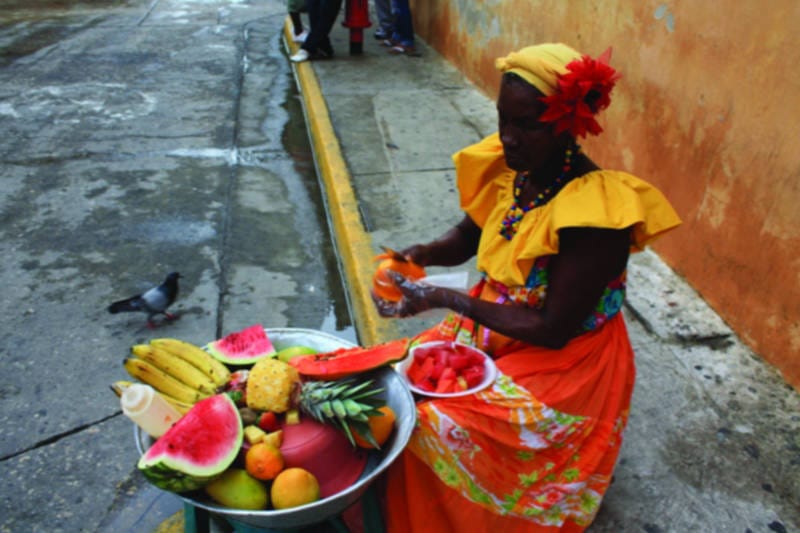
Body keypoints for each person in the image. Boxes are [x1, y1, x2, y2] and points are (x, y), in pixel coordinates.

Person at [372, 43, 681, 531]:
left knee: (432, 430)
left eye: (527, 125)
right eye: (503, 119)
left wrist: (443, 298)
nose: (508, 138)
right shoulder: (514, 170)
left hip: (567, 363)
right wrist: (425, 254)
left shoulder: (595, 212)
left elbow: (553, 327)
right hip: (493, 327)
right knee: (393, 388)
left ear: (568, 125)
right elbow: (467, 235)